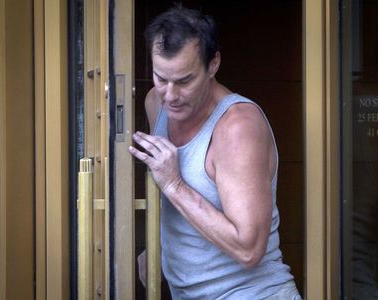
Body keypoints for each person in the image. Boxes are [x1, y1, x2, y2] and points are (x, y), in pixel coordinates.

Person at [128, 6, 301, 299]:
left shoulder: (237, 127)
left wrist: (174, 184)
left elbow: (248, 249)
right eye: (161, 78)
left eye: (184, 81)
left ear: (213, 64)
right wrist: (158, 249)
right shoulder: (155, 104)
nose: (170, 95)